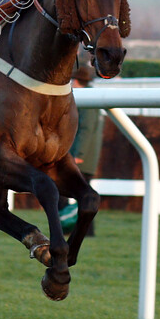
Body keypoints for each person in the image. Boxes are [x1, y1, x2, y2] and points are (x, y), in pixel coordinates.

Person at [59, 63, 105, 235]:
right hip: (86, 157)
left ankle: (70, 227)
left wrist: (78, 155)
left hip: (82, 158)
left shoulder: (87, 100)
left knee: (77, 194)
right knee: (83, 195)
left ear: (77, 81)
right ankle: (85, 230)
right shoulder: (91, 97)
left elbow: (85, 129)